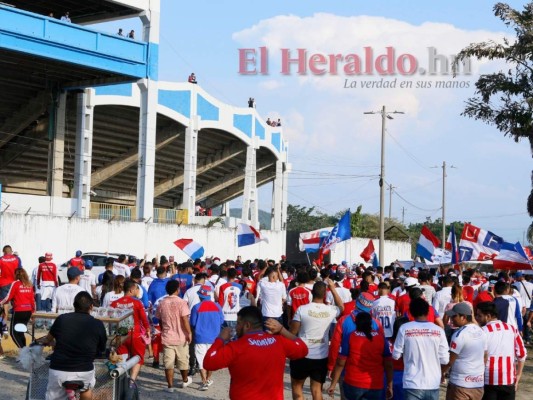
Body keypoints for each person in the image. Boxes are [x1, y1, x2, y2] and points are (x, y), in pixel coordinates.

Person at [203, 306, 308, 400]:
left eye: (238, 323)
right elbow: (303, 349)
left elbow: (208, 363)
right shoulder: (279, 341)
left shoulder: (235, 347)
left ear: (247, 325)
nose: (236, 327)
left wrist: (220, 339)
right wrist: (282, 330)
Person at [38, 292, 106, 400]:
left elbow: (48, 339)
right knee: (86, 389)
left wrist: (49, 342)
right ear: (91, 306)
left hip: (59, 370)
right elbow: (102, 348)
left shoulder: (61, 319)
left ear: (74, 305)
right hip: (84, 371)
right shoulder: (98, 323)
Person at [289, 279, 344, 400]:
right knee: (316, 390)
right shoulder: (330, 310)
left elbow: (293, 332)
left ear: (312, 292)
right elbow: (342, 307)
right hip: (321, 356)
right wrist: (333, 289)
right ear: (325, 294)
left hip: (301, 354)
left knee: (297, 387)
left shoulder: (301, 309)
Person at [392, 298, 449, 400]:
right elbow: (445, 359)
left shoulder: (404, 328)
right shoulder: (439, 330)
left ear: (411, 312)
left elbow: (396, 355)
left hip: (412, 383)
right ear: (428, 311)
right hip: (432, 383)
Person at [328, 312, 393, 400]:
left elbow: (341, 362)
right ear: (371, 323)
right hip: (375, 384)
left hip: (353, 383)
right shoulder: (381, 337)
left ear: (356, 323)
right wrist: (390, 385)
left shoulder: (350, 336)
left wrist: (333, 384)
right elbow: (388, 364)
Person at [475, 301, 527, 400]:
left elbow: (478, 357)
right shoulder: (512, 329)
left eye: (479, 315)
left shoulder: (482, 331)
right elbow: (522, 354)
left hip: (488, 380)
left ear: (488, 316)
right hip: (508, 379)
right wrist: (518, 375)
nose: (477, 318)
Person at [442, 302, 486, 400]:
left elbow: (450, 361)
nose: (451, 319)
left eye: (454, 316)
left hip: (460, 385)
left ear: (463, 317)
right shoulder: (481, 331)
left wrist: (441, 373)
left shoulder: (459, 334)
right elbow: (485, 355)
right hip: (477, 384)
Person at [111, 279, 150, 384]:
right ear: (132, 289)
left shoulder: (114, 303)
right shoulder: (137, 303)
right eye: (137, 288)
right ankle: (132, 381)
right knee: (138, 358)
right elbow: (143, 319)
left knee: (121, 359)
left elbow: (110, 319)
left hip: (120, 336)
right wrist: (148, 329)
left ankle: (120, 381)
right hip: (135, 335)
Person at [155, 280, 192, 392]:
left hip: (167, 336)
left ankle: (170, 386)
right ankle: (185, 380)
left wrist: (164, 329)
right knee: (183, 360)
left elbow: (159, 319)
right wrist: (189, 333)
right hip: (181, 337)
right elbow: (185, 319)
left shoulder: (162, 303)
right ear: (177, 289)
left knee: (168, 363)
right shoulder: (182, 302)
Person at [190, 285, 224, 391]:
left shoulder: (196, 307)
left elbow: (192, 323)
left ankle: (204, 381)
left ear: (201, 296)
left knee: (201, 361)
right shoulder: (217, 306)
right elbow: (222, 321)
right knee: (210, 359)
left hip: (200, 337)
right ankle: (208, 378)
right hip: (214, 338)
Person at [0, 268, 35, 348]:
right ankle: (25, 353)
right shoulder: (29, 284)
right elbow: (32, 299)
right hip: (28, 311)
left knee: (13, 333)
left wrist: (1, 303)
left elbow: (8, 297)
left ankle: (23, 351)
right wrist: (33, 312)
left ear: (16, 274)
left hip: (19, 310)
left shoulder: (15, 283)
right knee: (21, 331)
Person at [0, 245, 22, 316]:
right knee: (16, 301)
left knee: (5, 303)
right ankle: (16, 317)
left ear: (4, 252)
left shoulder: (1, 259)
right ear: (11, 251)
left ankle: (5, 322)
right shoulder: (17, 259)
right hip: (15, 283)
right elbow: (20, 271)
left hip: (4, 283)